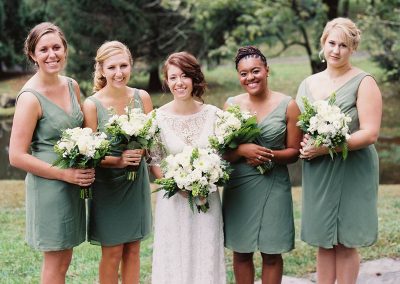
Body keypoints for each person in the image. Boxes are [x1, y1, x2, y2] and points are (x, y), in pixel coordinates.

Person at [296, 17, 382, 284]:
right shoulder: (308, 84)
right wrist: (305, 144)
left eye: (343, 45)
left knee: (345, 240)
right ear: (323, 43)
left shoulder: (364, 81)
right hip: (319, 169)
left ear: (352, 48)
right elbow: (300, 126)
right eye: (332, 43)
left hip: (351, 167)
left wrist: (327, 148)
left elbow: (370, 133)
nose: (336, 50)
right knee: (324, 240)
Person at [8, 22, 95, 283]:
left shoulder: (72, 86)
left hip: (73, 184)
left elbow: (86, 129)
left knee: (65, 257)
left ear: (65, 50)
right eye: (43, 49)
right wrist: (64, 175)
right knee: (54, 261)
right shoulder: (30, 98)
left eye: (56, 47)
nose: (51, 54)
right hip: (50, 185)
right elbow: (16, 155)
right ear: (33, 55)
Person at [222, 46, 302, 284]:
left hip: (274, 184)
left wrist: (268, 155)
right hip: (240, 185)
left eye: (255, 71)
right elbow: (223, 152)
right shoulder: (231, 104)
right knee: (242, 251)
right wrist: (241, 150)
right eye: (243, 73)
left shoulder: (289, 105)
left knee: (271, 252)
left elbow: (293, 152)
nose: (250, 77)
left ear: (267, 70)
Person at [150, 52, 226, 284]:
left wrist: (204, 182)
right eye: (173, 77)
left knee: (206, 253)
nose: (179, 82)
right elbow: (155, 161)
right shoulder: (157, 118)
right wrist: (177, 185)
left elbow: (221, 159)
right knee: (173, 256)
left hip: (206, 199)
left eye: (184, 76)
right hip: (172, 201)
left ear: (194, 78)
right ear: (167, 81)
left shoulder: (214, 115)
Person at [82, 41, 153, 284]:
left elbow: (151, 144)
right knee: (112, 252)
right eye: (112, 67)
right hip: (108, 187)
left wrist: (141, 152)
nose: (119, 72)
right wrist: (118, 160)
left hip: (136, 184)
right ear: (101, 70)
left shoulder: (142, 97)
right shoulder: (92, 105)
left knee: (133, 250)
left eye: (124, 65)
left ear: (131, 66)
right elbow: (90, 154)